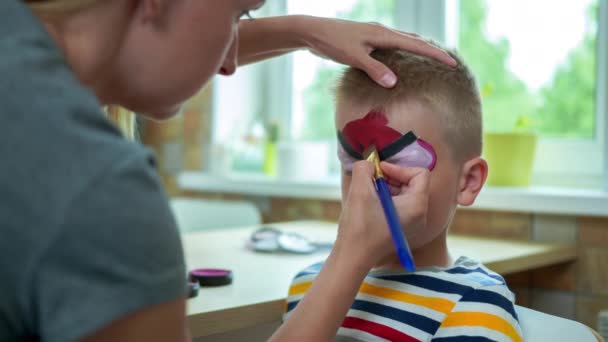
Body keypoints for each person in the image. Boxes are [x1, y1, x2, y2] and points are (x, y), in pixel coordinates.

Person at [0, 0, 457, 341]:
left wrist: (302, 30)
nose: (231, 62)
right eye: (239, 14)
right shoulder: (98, 194)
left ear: (470, 180)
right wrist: (350, 256)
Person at [284, 48, 524, 341]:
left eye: (396, 168)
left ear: (467, 181)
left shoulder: (475, 305)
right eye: (349, 166)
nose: (365, 186)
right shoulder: (310, 286)